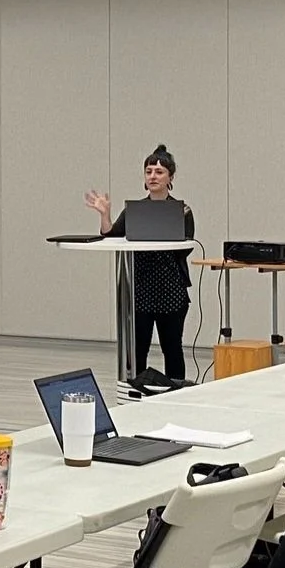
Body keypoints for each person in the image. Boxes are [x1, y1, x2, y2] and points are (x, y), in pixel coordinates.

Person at [86, 145, 197, 387]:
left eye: (159, 172)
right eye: (149, 172)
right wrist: (104, 215)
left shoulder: (183, 211)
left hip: (171, 290)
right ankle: (135, 392)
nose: (153, 177)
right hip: (139, 290)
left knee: (172, 347)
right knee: (138, 349)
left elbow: (186, 245)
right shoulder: (133, 210)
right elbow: (111, 235)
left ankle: (176, 391)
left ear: (170, 178)